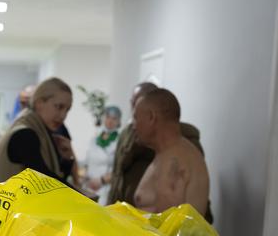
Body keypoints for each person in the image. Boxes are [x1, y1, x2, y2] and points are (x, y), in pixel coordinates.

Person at [131, 88, 209, 216]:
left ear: (151, 117)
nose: (133, 126)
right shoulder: (168, 153)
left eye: (135, 118)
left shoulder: (173, 161)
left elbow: (165, 228)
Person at [0, 77, 76, 185]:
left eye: (67, 109)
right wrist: (85, 198)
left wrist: (66, 159)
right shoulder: (25, 135)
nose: (63, 115)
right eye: (59, 107)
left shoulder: (35, 129)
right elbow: (47, 184)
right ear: (39, 103)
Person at [82, 105, 122, 204]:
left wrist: (101, 181)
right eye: (108, 117)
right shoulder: (95, 138)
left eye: (114, 118)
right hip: (87, 184)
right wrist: (84, 177)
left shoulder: (119, 141)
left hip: (104, 188)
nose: (110, 121)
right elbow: (87, 161)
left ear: (118, 122)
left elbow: (119, 169)